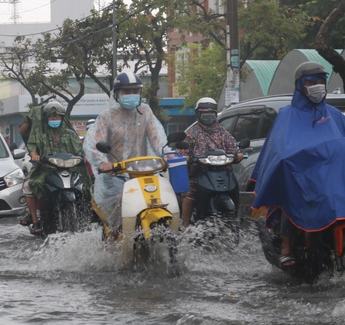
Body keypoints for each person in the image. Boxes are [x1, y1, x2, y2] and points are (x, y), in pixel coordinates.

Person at [251, 61, 345, 268]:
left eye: (321, 81)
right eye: (312, 82)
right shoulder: (287, 115)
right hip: (300, 176)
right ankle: (286, 246)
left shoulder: (335, 115)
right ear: (301, 85)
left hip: (329, 180)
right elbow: (281, 150)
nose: (318, 86)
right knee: (292, 197)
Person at [83, 71, 167, 236]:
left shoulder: (145, 111)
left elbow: (156, 135)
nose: (131, 95)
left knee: (163, 195)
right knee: (123, 199)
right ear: (117, 94)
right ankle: (114, 236)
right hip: (114, 174)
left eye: (135, 91)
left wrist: (167, 152)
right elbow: (93, 144)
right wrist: (102, 163)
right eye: (126, 92)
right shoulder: (106, 117)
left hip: (143, 171)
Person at [24, 100, 90, 233]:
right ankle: (35, 220)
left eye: (57, 116)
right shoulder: (39, 134)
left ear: (62, 117)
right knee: (29, 186)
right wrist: (34, 154)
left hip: (70, 168)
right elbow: (32, 146)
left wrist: (84, 156)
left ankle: (88, 214)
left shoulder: (70, 134)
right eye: (52, 116)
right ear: (47, 117)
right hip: (46, 169)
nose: (55, 118)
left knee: (87, 186)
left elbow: (80, 150)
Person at [177, 97, 242, 229]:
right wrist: (187, 157)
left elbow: (234, 148)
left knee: (235, 187)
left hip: (222, 173)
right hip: (199, 174)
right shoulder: (191, 134)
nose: (208, 117)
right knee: (190, 194)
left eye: (211, 114)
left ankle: (236, 221)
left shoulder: (223, 133)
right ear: (198, 115)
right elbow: (182, 152)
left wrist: (238, 154)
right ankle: (186, 227)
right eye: (205, 114)